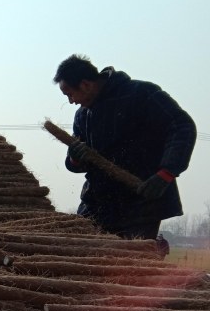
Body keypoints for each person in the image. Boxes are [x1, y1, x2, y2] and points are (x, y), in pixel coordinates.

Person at [53, 54, 196, 240]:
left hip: (141, 200)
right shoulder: (82, 116)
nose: (71, 101)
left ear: (86, 84)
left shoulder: (141, 94)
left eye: (70, 94)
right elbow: (76, 164)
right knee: (84, 253)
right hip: (98, 202)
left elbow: (181, 127)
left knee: (135, 262)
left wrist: (166, 173)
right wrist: (75, 157)